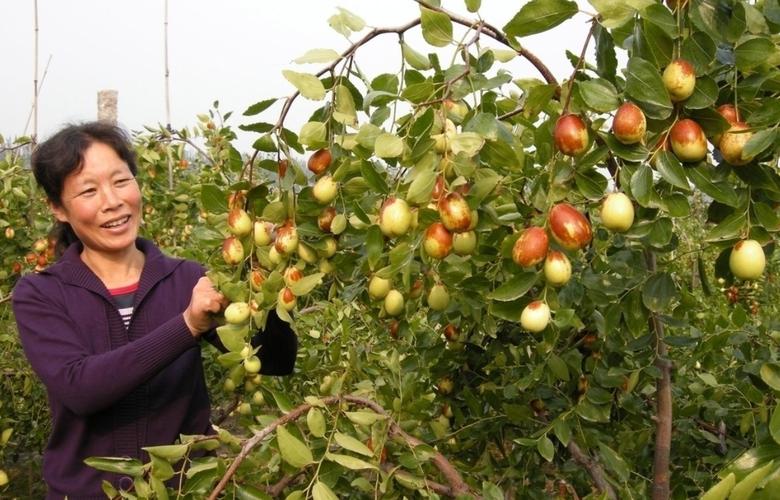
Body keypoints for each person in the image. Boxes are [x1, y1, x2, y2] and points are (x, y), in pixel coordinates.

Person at [12, 122, 296, 499]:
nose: (112, 201)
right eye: (89, 190)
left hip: (185, 492)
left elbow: (275, 361)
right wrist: (186, 326)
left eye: (120, 181)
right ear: (57, 208)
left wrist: (268, 278)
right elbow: (80, 388)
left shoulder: (188, 279)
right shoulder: (41, 294)